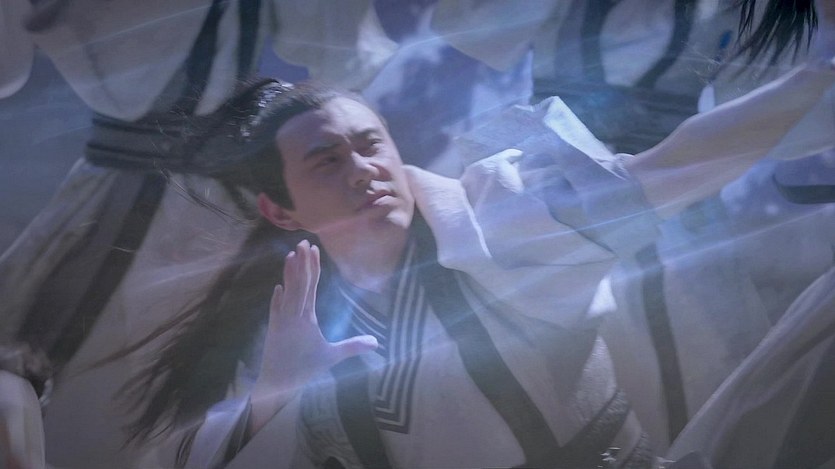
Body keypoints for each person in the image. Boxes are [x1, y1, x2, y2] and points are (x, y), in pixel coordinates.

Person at [120, 46, 835, 468]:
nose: (364, 169)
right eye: (326, 160)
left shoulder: (494, 220)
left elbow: (668, 168)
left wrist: (816, 74)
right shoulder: (285, 326)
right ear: (279, 210)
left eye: (370, 144)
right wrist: (275, 392)